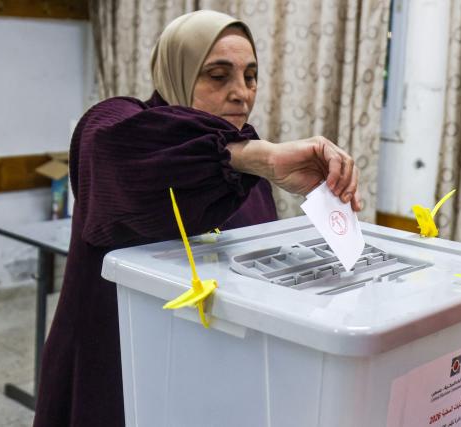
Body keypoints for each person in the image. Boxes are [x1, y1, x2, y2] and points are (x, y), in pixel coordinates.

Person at [33, 10, 361, 427]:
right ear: (177, 71)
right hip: (117, 370)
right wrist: (250, 157)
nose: (242, 93)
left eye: (250, 76)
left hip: (204, 377)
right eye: (218, 76)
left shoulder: (247, 173)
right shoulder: (119, 124)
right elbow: (116, 153)